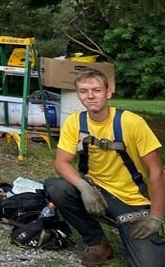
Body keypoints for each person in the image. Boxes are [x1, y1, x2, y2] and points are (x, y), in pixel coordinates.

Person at [43, 71, 163, 267]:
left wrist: (156, 216)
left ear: (108, 92)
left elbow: (157, 171)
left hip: (131, 200)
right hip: (96, 192)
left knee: (149, 263)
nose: (90, 96)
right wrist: (84, 187)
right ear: (78, 94)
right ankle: (97, 242)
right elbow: (61, 162)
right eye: (84, 91)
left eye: (96, 90)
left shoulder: (131, 123)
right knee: (56, 187)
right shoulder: (75, 121)